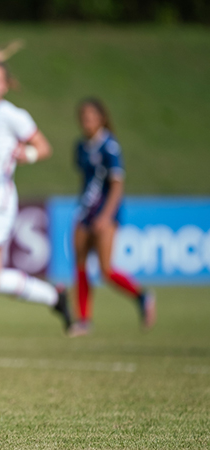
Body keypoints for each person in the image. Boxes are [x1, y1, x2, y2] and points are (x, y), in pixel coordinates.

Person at [0, 55, 72, 333]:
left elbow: (43, 147)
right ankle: (55, 297)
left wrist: (26, 153)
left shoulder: (11, 115)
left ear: (5, 85)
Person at [68, 98, 155, 337]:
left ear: (101, 118)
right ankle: (84, 320)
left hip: (105, 214)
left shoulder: (109, 146)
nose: (86, 122)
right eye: (83, 117)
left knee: (106, 270)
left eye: (91, 117)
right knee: (80, 266)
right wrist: (84, 211)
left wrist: (106, 216)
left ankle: (142, 295)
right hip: (85, 211)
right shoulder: (81, 146)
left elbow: (117, 186)